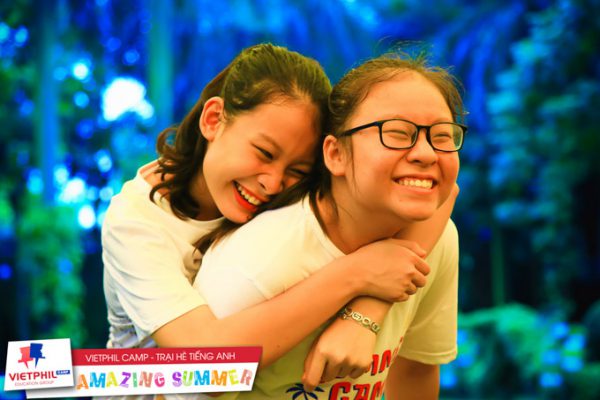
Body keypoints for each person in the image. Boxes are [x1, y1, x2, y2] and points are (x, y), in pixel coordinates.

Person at [102, 42, 454, 391]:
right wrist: (357, 273)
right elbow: (203, 368)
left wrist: (365, 314)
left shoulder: (296, 193)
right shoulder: (134, 224)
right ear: (213, 120)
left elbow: (436, 193)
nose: (272, 184)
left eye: (298, 170)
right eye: (264, 153)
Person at [195, 49, 466, 399]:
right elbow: (179, 378)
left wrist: (363, 315)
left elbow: (416, 369)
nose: (427, 154)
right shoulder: (255, 263)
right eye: (397, 133)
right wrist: (357, 278)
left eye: (442, 136)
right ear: (335, 154)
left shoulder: (438, 237)